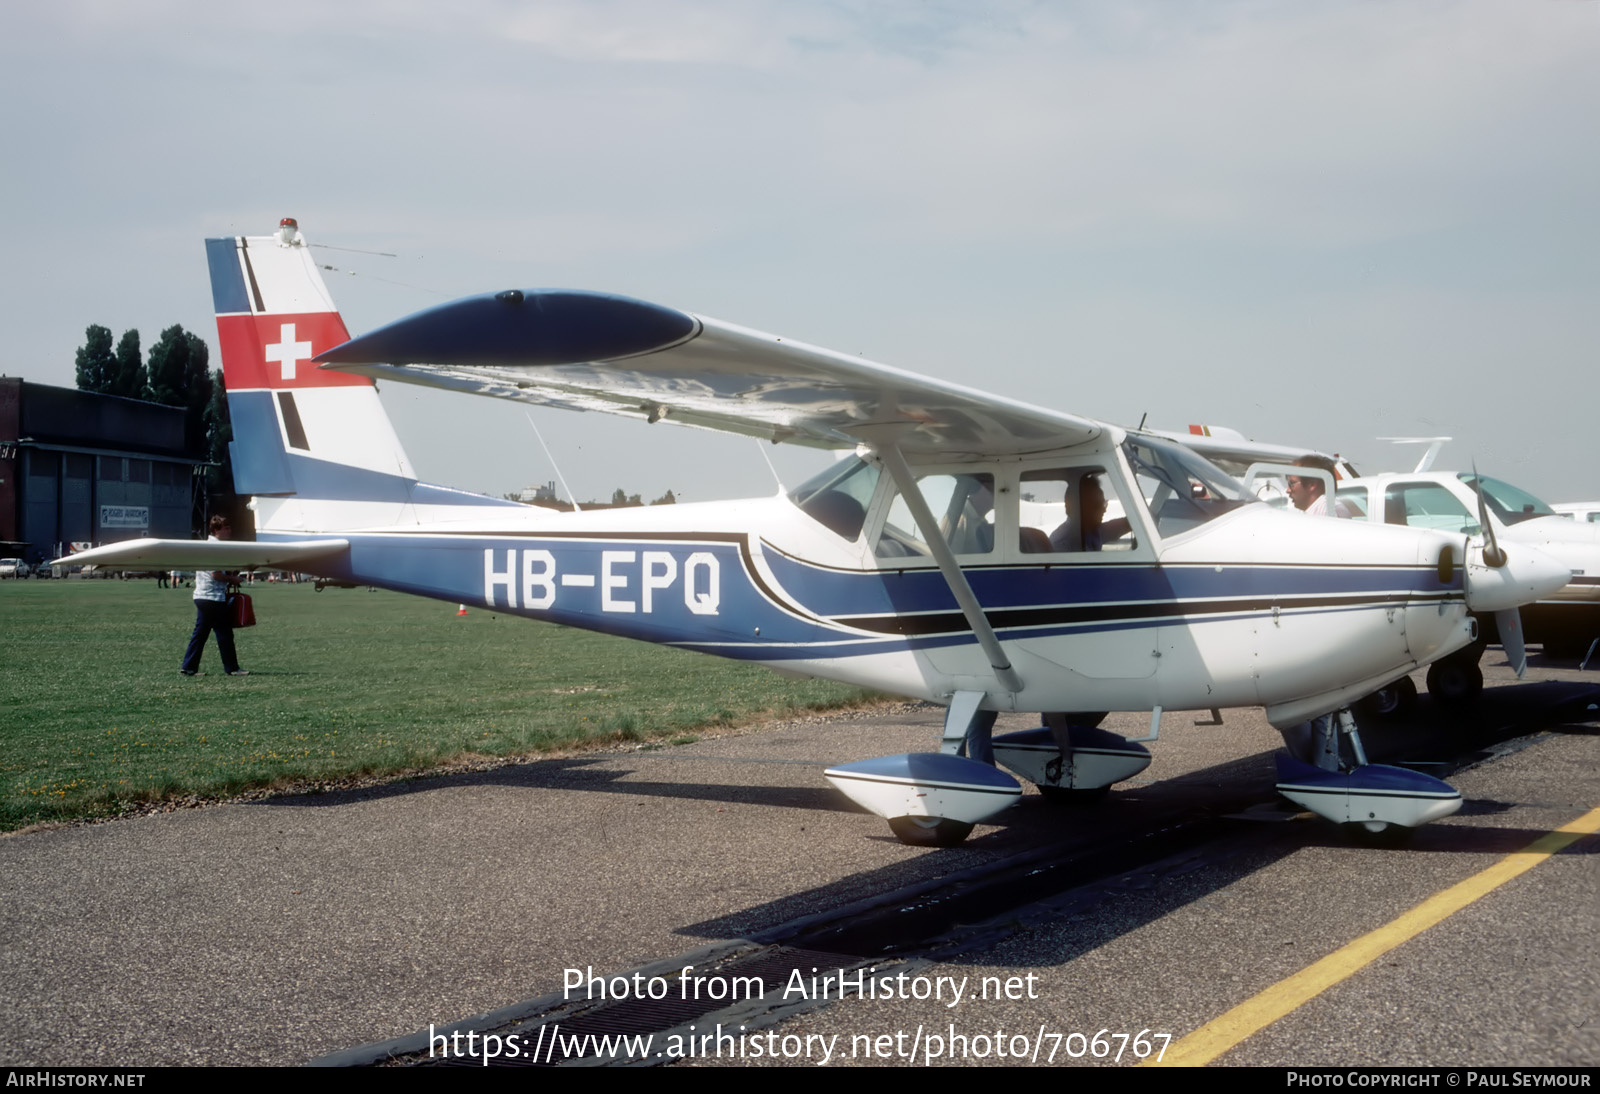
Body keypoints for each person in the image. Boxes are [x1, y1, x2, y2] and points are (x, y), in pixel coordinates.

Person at [180, 515, 248, 677]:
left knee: (202, 633)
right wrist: (234, 579)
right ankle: (231, 668)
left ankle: (188, 667)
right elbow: (215, 575)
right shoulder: (215, 548)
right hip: (212, 597)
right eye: (226, 528)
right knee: (224, 633)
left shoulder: (209, 546)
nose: (229, 530)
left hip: (203, 596)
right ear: (217, 530)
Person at [1286, 456, 1353, 518]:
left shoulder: (1327, 510)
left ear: (1311, 485)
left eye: (1292, 484)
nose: (1288, 490)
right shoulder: (1323, 509)